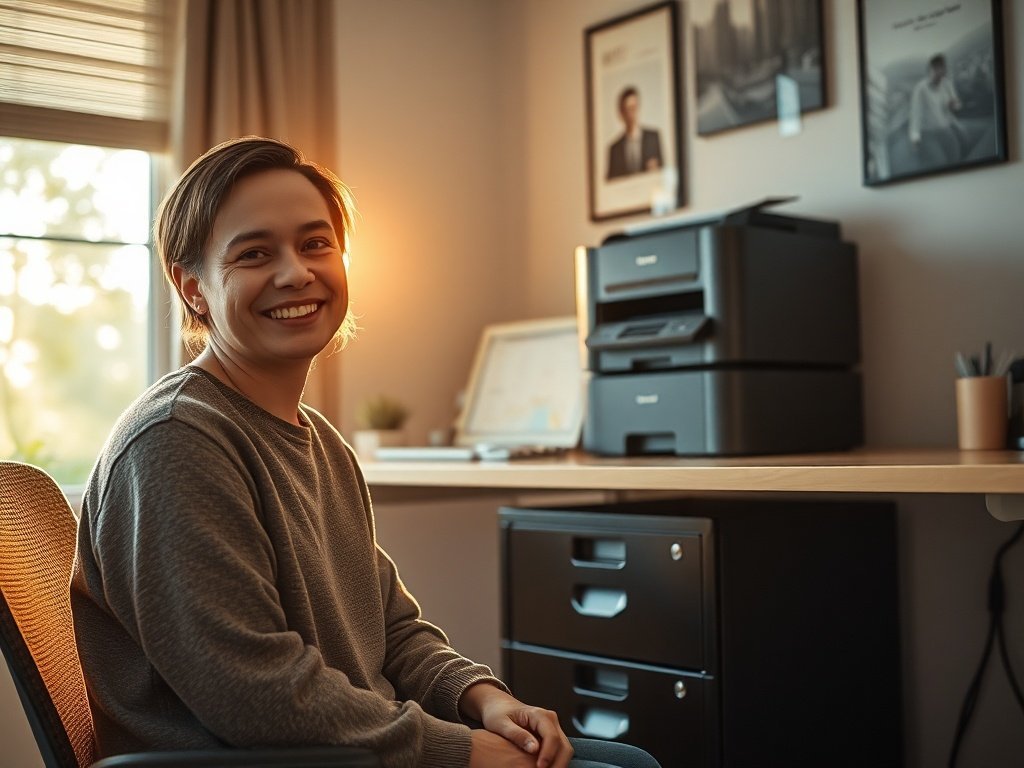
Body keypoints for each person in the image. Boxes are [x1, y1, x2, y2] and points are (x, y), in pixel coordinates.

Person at [70, 137, 636, 768]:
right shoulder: (177, 442)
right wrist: (456, 750)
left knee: (627, 759)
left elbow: (388, 631)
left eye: (315, 244)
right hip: (277, 761)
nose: (295, 272)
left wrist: (480, 698)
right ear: (193, 288)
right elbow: (255, 696)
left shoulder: (318, 441)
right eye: (254, 253)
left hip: (350, 749)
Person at [908, 53, 966, 166]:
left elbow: (957, 105)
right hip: (928, 133)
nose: (940, 71)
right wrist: (915, 138)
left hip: (945, 129)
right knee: (939, 162)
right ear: (930, 69)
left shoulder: (947, 84)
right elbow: (916, 114)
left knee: (956, 155)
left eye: (942, 67)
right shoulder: (920, 89)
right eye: (936, 68)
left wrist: (954, 105)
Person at [606, 86, 663, 180]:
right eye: (628, 109)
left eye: (634, 108)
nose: (632, 114)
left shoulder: (653, 138)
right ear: (622, 113)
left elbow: (662, 174)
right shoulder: (614, 149)